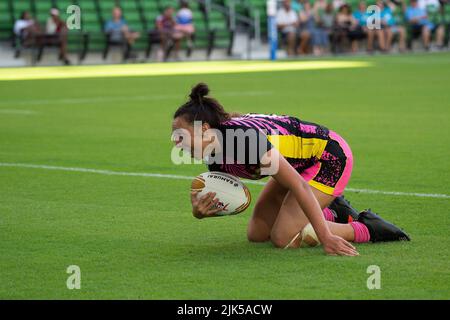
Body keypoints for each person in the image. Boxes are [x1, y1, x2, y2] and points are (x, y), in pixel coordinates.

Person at [171, 83, 410, 256]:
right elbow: (230, 197)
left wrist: (325, 237)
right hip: (297, 166)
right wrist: (201, 211)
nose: (175, 142)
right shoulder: (215, 154)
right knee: (257, 234)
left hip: (327, 157)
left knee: (283, 237)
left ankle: (368, 228)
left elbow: (298, 184)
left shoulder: (243, 140)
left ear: (204, 129)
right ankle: (330, 210)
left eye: (180, 134)